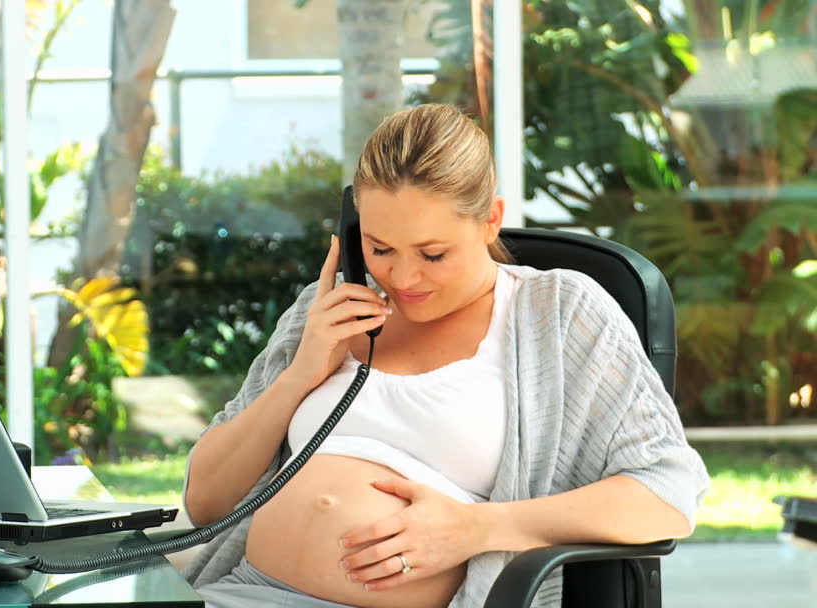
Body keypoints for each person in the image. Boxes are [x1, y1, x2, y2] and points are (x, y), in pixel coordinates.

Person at [178, 104, 710, 608]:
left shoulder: (559, 311)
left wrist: (476, 528)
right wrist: (301, 374)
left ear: (491, 220)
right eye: (379, 249)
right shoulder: (327, 310)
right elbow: (205, 502)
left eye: (433, 254)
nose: (404, 277)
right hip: (242, 593)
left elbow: (668, 492)